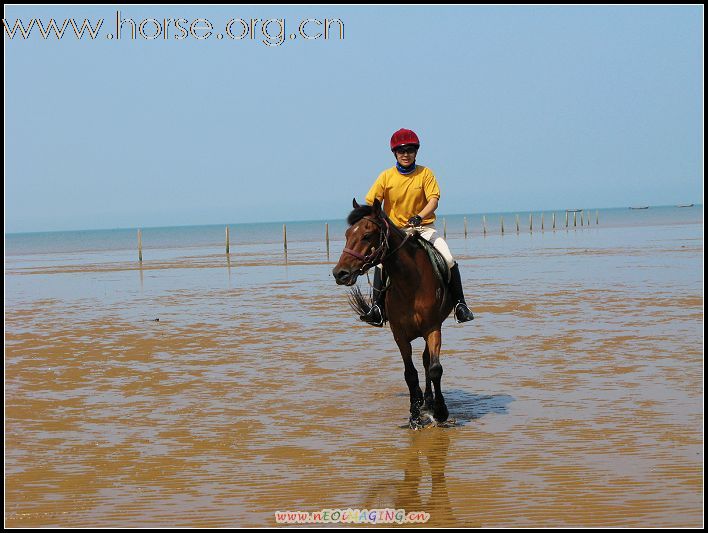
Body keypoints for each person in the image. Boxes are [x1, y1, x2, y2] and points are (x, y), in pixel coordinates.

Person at [361, 128, 475, 327]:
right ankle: (377, 308)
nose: (406, 154)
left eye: (410, 150)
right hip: (395, 233)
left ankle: (460, 304)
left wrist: (419, 217)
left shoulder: (425, 173)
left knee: (448, 258)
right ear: (395, 153)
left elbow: (433, 200)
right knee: (380, 264)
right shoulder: (386, 177)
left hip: (423, 228)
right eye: (401, 151)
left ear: (416, 152)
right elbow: (373, 204)